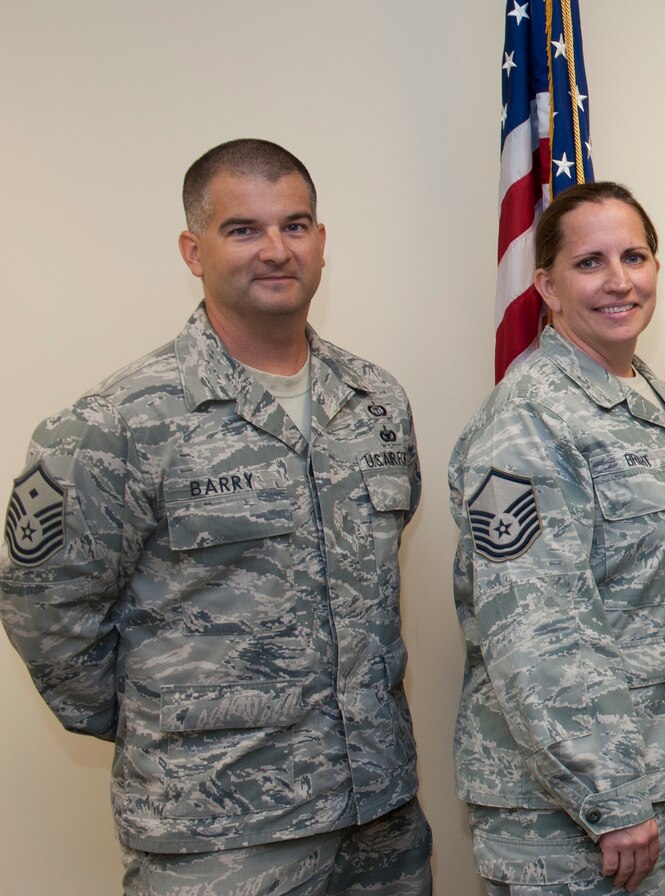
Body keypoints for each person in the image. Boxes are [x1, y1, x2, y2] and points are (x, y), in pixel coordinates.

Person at [0, 139, 430, 893]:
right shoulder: (118, 423)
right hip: (219, 837)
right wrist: (175, 727)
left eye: (295, 226)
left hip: (380, 818)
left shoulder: (375, 403)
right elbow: (46, 614)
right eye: (243, 230)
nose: (275, 250)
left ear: (322, 243)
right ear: (193, 251)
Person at [449, 182, 665, 895]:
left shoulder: (646, 394)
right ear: (547, 286)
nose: (620, 281)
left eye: (635, 256)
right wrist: (609, 795)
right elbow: (535, 628)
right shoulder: (531, 419)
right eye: (590, 263)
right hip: (580, 809)